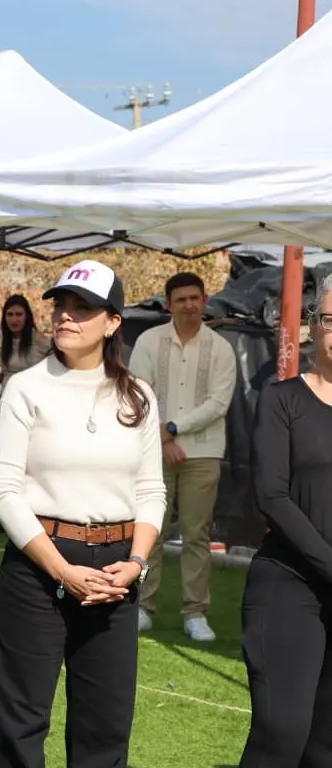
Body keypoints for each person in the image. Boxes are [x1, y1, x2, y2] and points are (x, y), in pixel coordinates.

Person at [0, 259, 165, 768]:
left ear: (112, 322)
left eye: (82, 308)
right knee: (17, 727)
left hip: (115, 573)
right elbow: (3, 490)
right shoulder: (25, 387)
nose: (65, 316)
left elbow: (151, 491)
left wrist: (135, 564)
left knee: (104, 734)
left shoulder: (139, 396)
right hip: (37, 569)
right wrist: (60, 569)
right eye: (61, 304)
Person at [233, 274, 332, 768]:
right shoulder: (281, 399)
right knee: (282, 733)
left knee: (327, 746)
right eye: (331, 319)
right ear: (315, 327)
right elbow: (271, 494)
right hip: (288, 584)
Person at [128, 271, 236, 641]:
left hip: (203, 453)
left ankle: (195, 613)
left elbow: (218, 404)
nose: (189, 305)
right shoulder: (148, 341)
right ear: (169, 304)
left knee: (196, 535)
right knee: (150, 532)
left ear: (205, 301)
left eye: (195, 298)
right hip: (152, 452)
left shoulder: (220, 348)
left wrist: (173, 429)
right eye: (181, 299)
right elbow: (139, 395)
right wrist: (164, 439)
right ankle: (142, 606)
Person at [0, 294, 51, 395]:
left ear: (26, 317)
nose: (14, 320)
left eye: (19, 314)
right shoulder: (6, 341)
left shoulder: (38, 339)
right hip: (7, 398)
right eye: (10, 314)